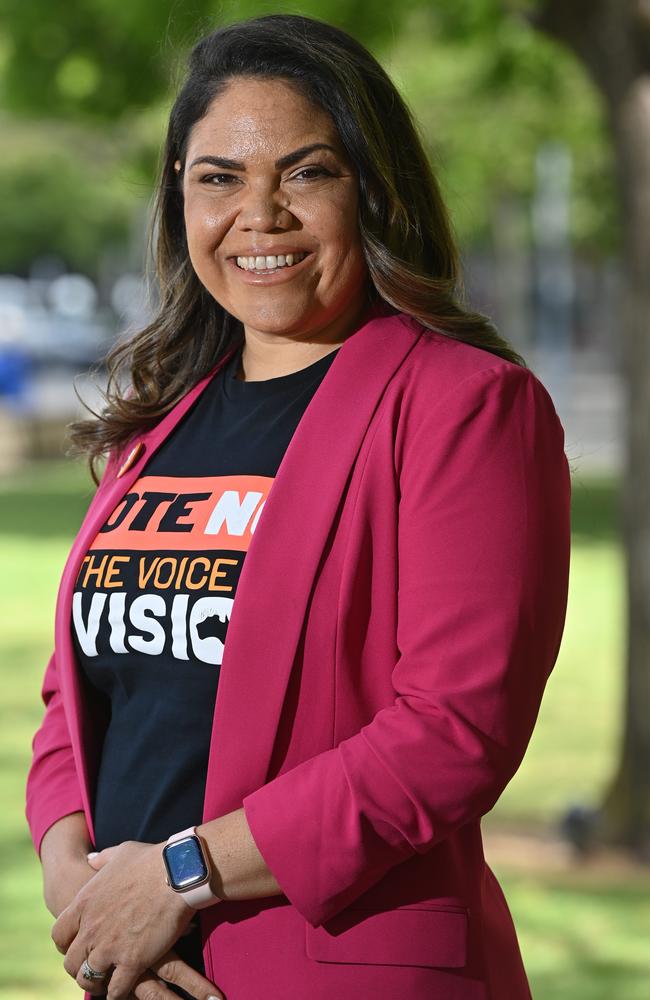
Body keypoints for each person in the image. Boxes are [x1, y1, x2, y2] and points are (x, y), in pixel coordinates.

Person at [25, 12, 571, 1000]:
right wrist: (85, 892)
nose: (259, 214)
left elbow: (452, 728)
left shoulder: (463, 405)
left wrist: (179, 874)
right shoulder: (156, 424)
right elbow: (81, 698)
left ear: (371, 189)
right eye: (218, 177)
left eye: (306, 172)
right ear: (178, 199)